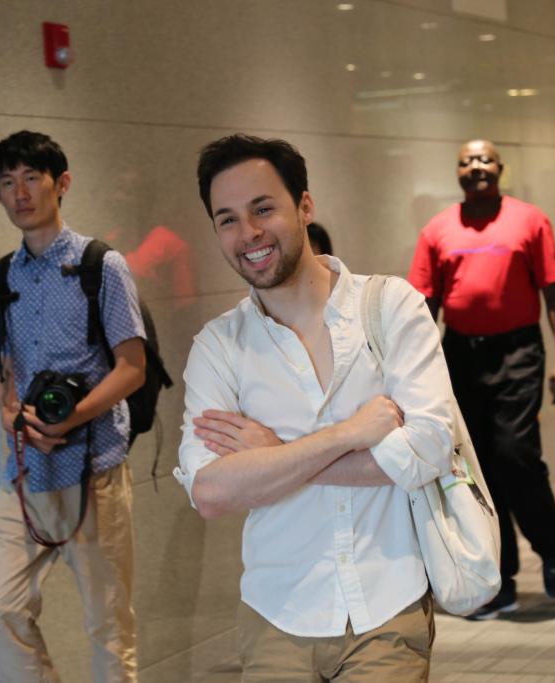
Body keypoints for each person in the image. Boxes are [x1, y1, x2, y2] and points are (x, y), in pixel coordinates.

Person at [174, 135, 453, 682]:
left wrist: (272, 457)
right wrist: (347, 434)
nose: (248, 234)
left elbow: (427, 451)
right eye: (227, 219)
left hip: (386, 606)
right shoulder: (219, 346)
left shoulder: (391, 307)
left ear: (304, 205)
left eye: (263, 209)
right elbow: (210, 491)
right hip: (276, 612)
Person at [0, 131, 146, 681]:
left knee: (107, 628)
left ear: (62, 183)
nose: (19, 192)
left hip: (93, 471)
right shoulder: (2, 276)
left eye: (31, 178)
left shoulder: (102, 264)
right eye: (7, 182)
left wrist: (69, 418)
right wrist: (12, 417)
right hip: (26, 472)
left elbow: (132, 368)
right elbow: (5, 374)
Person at [407, 139, 555, 620]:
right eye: (467, 161)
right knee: (478, 467)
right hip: (460, 353)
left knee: (516, 453)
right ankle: (502, 579)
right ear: (458, 172)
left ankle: (551, 542)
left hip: (519, 350)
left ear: (500, 168)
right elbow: (424, 310)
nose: (476, 166)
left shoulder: (530, 219)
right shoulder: (438, 229)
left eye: (484, 159)